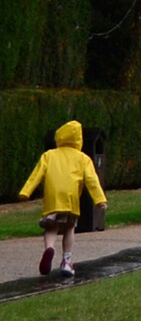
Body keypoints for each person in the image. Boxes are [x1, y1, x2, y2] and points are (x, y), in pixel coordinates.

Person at [18, 120, 108, 279]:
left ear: (60, 137)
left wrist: (25, 192)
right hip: (70, 199)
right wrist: (99, 199)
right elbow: (92, 180)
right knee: (69, 228)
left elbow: (36, 175)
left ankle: (49, 248)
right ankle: (67, 260)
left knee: (51, 228)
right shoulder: (83, 158)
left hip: (53, 199)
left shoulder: (49, 155)